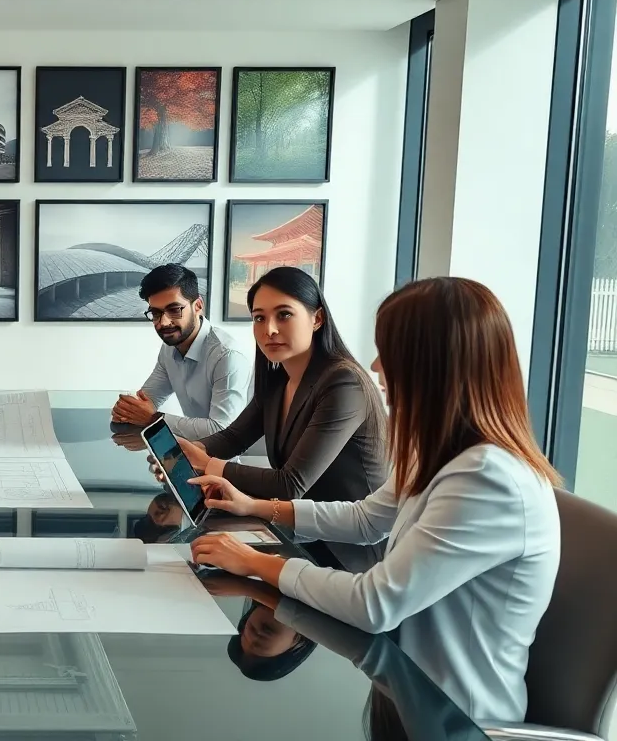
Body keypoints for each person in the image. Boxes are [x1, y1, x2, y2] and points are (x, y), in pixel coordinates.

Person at [189, 277, 562, 723]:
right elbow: (367, 519)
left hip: (456, 718)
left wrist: (255, 563)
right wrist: (254, 508)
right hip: (401, 688)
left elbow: (374, 605)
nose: (376, 364)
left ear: (437, 365)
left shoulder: (488, 479)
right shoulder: (443, 455)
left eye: (391, 351)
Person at [174, 266, 387, 504]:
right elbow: (235, 438)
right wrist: (189, 451)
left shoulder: (344, 383)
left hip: (344, 537)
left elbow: (290, 484)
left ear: (317, 319)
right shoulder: (278, 378)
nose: (269, 330)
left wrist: (207, 464)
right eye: (259, 318)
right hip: (298, 525)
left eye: (284, 315)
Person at [111, 264, 251, 437]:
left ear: (198, 305)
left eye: (174, 310)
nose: (163, 322)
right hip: (190, 450)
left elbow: (222, 430)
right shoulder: (169, 349)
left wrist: (153, 419)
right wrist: (128, 410)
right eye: (155, 313)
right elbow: (146, 402)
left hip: (227, 459)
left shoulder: (227, 355)